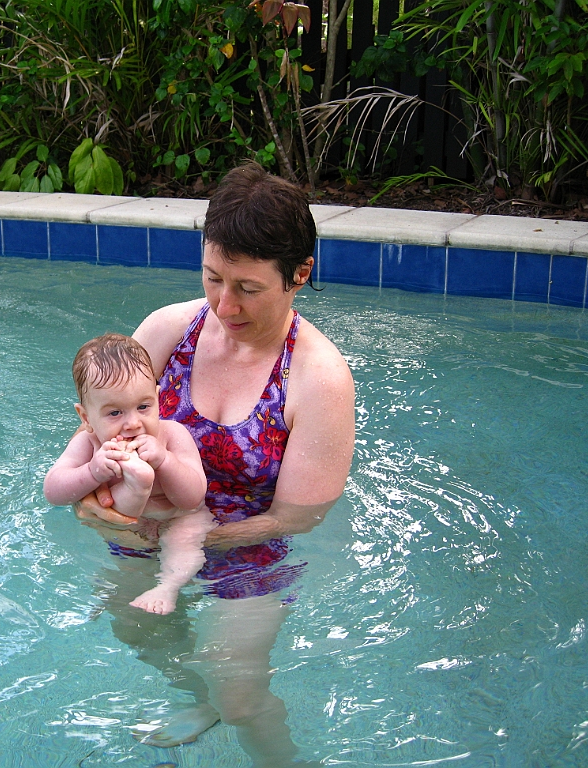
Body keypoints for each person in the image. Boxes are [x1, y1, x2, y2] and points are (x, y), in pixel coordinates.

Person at [75, 162, 356, 767]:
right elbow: (93, 432)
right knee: (132, 626)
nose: (225, 305)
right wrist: (94, 506)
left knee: (240, 692)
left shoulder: (318, 379)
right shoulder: (167, 332)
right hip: (146, 521)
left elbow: (296, 518)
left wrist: (195, 541)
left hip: (249, 544)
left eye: (248, 288)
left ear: (300, 274)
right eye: (212, 278)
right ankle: (196, 696)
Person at [45, 333, 215, 615]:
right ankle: (117, 583)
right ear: (86, 418)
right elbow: (53, 491)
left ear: (158, 400)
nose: (133, 423)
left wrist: (165, 461)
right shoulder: (89, 444)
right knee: (113, 561)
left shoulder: (172, 435)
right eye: (115, 413)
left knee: (185, 540)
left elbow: (193, 498)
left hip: (177, 518)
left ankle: (168, 587)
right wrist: (92, 471)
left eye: (143, 407)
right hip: (124, 528)